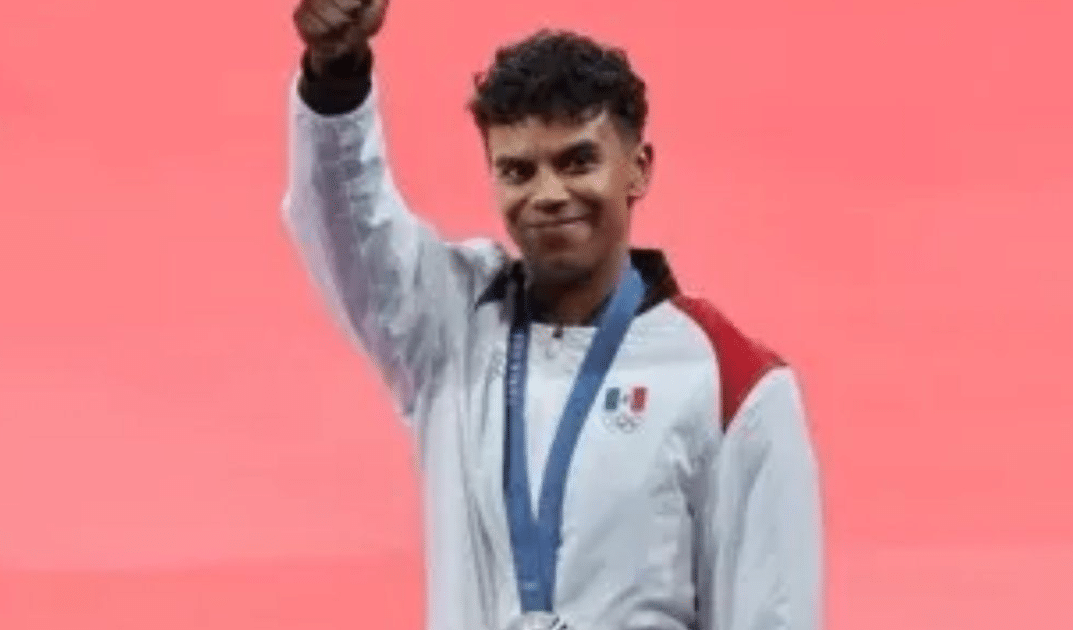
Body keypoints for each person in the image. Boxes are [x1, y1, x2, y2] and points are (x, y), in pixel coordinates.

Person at [282, 1, 823, 628]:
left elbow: (771, 612)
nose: (547, 194)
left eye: (576, 162)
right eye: (518, 170)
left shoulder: (735, 383)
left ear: (638, 168)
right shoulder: (452, 327)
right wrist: (336, 77)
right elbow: (347, 224)